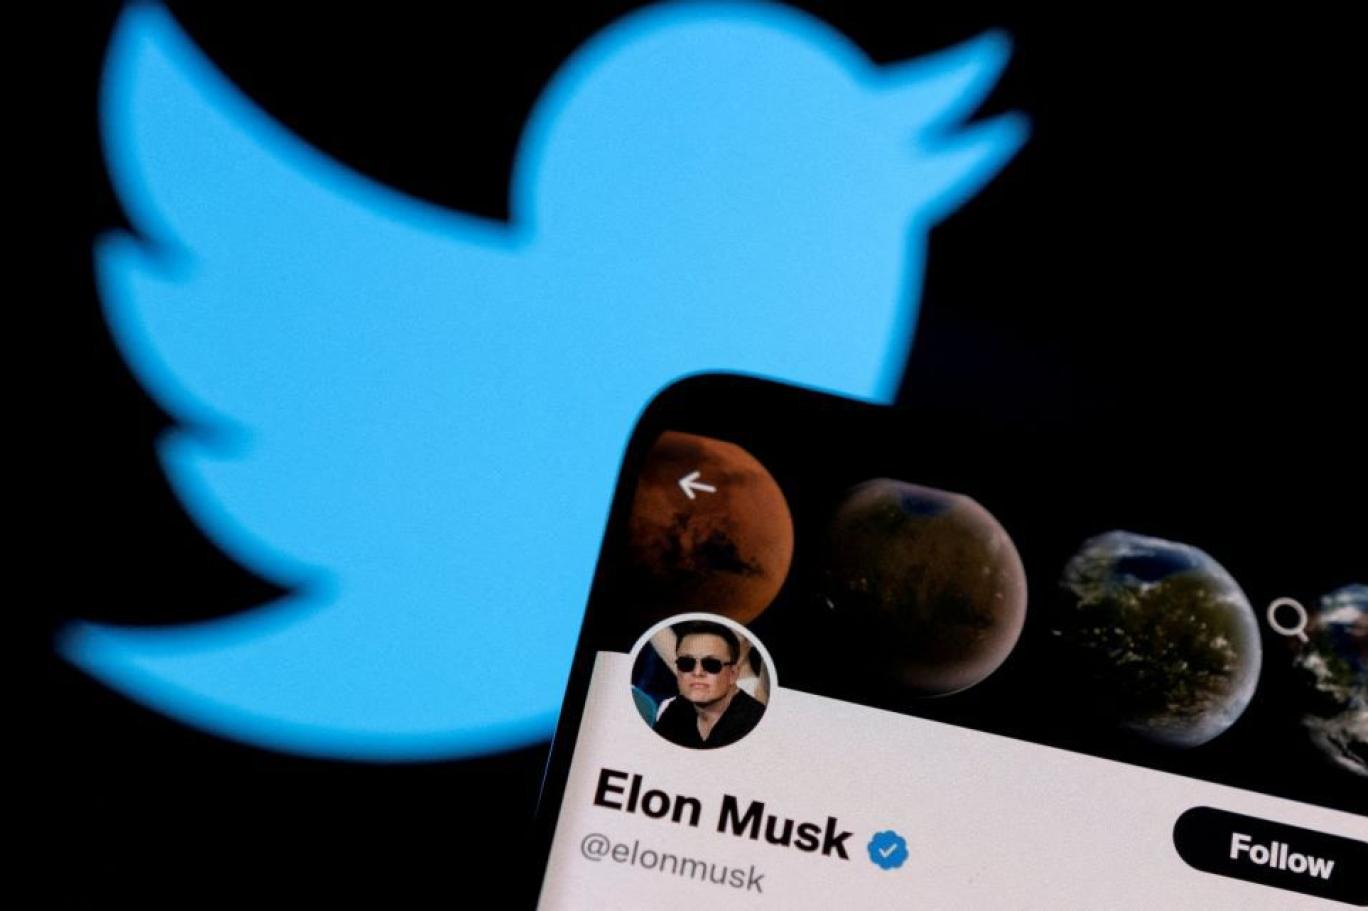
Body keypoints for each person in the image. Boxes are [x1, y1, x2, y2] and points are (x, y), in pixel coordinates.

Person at [652, 620, 765, 749]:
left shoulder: (758, 697)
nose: (698, 672)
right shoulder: (676, 707)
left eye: (712, 664)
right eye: (686, 663)